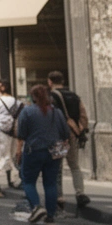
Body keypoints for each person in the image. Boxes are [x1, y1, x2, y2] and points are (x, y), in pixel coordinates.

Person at [14, 84, 70, 225]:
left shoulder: (27, 111)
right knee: (50, 183)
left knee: (28, 180)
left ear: (33, 96)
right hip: (53, 152)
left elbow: (21, 134)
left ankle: (37, 206)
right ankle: (50, 216)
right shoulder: (56, 112)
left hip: (33, 150)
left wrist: (19, 151)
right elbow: (65, 133)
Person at [47, 71, 90, 209]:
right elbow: (83, 115)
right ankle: (80, 192)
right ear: (63, 81)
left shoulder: (51, 96)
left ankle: (59, 196)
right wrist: (80, 130)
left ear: (50, 82)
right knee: (74, 165)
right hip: (73, 134)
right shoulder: (74, 96)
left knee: (57, 166)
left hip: (59, 136)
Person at [0, 79, 21, 193]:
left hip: (1, 131)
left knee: (3, 155)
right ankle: (11, 180)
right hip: (13, 132)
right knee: (11, 155)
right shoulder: (17, 102)